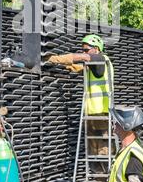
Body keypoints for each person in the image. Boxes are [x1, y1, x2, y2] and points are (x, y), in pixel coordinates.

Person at [47, 35, 114, 171]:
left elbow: (84, 58)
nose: (84, 53)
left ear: (96, 49)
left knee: (103, 149)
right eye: (82, 50)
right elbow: (84, 67)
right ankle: (98, 179)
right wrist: (71, 66)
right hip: (91, 113)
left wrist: (58, 59)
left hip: (102, 112)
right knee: (92, 149)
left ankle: (107, 178)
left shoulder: (102, 59)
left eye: (86, 50)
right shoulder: (93, 65)